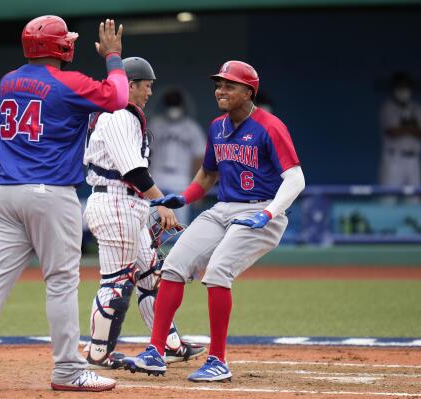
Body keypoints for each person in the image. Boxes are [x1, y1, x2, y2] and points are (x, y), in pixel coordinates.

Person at [0, 16, 128, 393]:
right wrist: (112, 57)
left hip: (5, 191)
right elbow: (119, 97)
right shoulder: (70, 82)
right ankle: (68, 369)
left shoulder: (8, 80)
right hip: (48, 192)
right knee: (61, 282)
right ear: (60, 47)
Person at [121, 60, 305, 382]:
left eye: (229, 85)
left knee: (218, 271)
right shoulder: (217, 126)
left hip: (260, 211)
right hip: (223, 208)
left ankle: (218, 360)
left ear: (248, 91)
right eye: (219, 85)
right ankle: (155, 351)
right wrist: (184, 197)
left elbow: (295, 179)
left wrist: (268, 214)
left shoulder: (269, 126)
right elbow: (208, 174)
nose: (221, 90)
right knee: (175, 264)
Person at [82, 57, 206, 370]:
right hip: (114, 202)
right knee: (116, 283)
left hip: (127, 204)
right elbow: (134, 171)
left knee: (150, 273)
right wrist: (161, 203)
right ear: (130, 85)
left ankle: (168, 343)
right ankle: (98, 354)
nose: (150, 92)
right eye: (146, 85)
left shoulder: (124, 115)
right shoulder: (119, 115)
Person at [148, 89, 206, 224]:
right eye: (170, 104)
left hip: (180, 179)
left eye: (175, 104)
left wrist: (196, 185)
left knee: (179, 225)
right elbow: (147, 154)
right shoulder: (155, 124)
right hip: (157, 178)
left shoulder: (192, 127)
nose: (173, 108)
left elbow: (199, 158)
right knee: (149, 222)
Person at [379, 72, 421, 187]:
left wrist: (404, 127)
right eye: (400, 87)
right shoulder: (387, 107)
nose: (404, 90)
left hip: (414, 158)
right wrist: (413, 126)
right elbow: (393, 132)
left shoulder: (416, 108)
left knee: (414, 199)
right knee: (388, 198)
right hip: (393, 158)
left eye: (406, 87)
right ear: (394, 88)